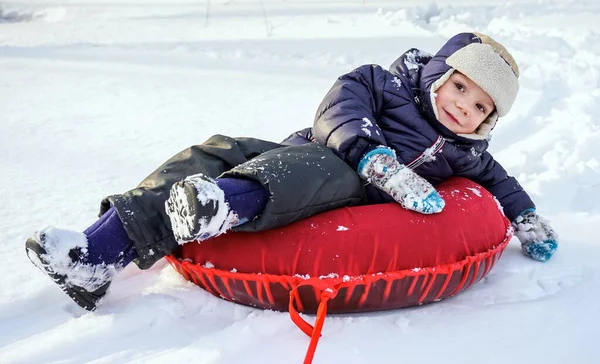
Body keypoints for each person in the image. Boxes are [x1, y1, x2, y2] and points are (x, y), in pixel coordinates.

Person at [25, 32, 558, 311]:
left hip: (343, 190)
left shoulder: (468, 154)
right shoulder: (383, 84)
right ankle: (95, 254)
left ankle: (219, 207)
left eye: (482, 107)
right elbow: (340, 108)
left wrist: (527, 218)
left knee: (311, 174)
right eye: (461, 87)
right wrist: (373, 156)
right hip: (320, 148)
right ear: (440, 73)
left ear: (488, 121)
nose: (465, 107)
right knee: (214, 150)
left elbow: (500, 185)